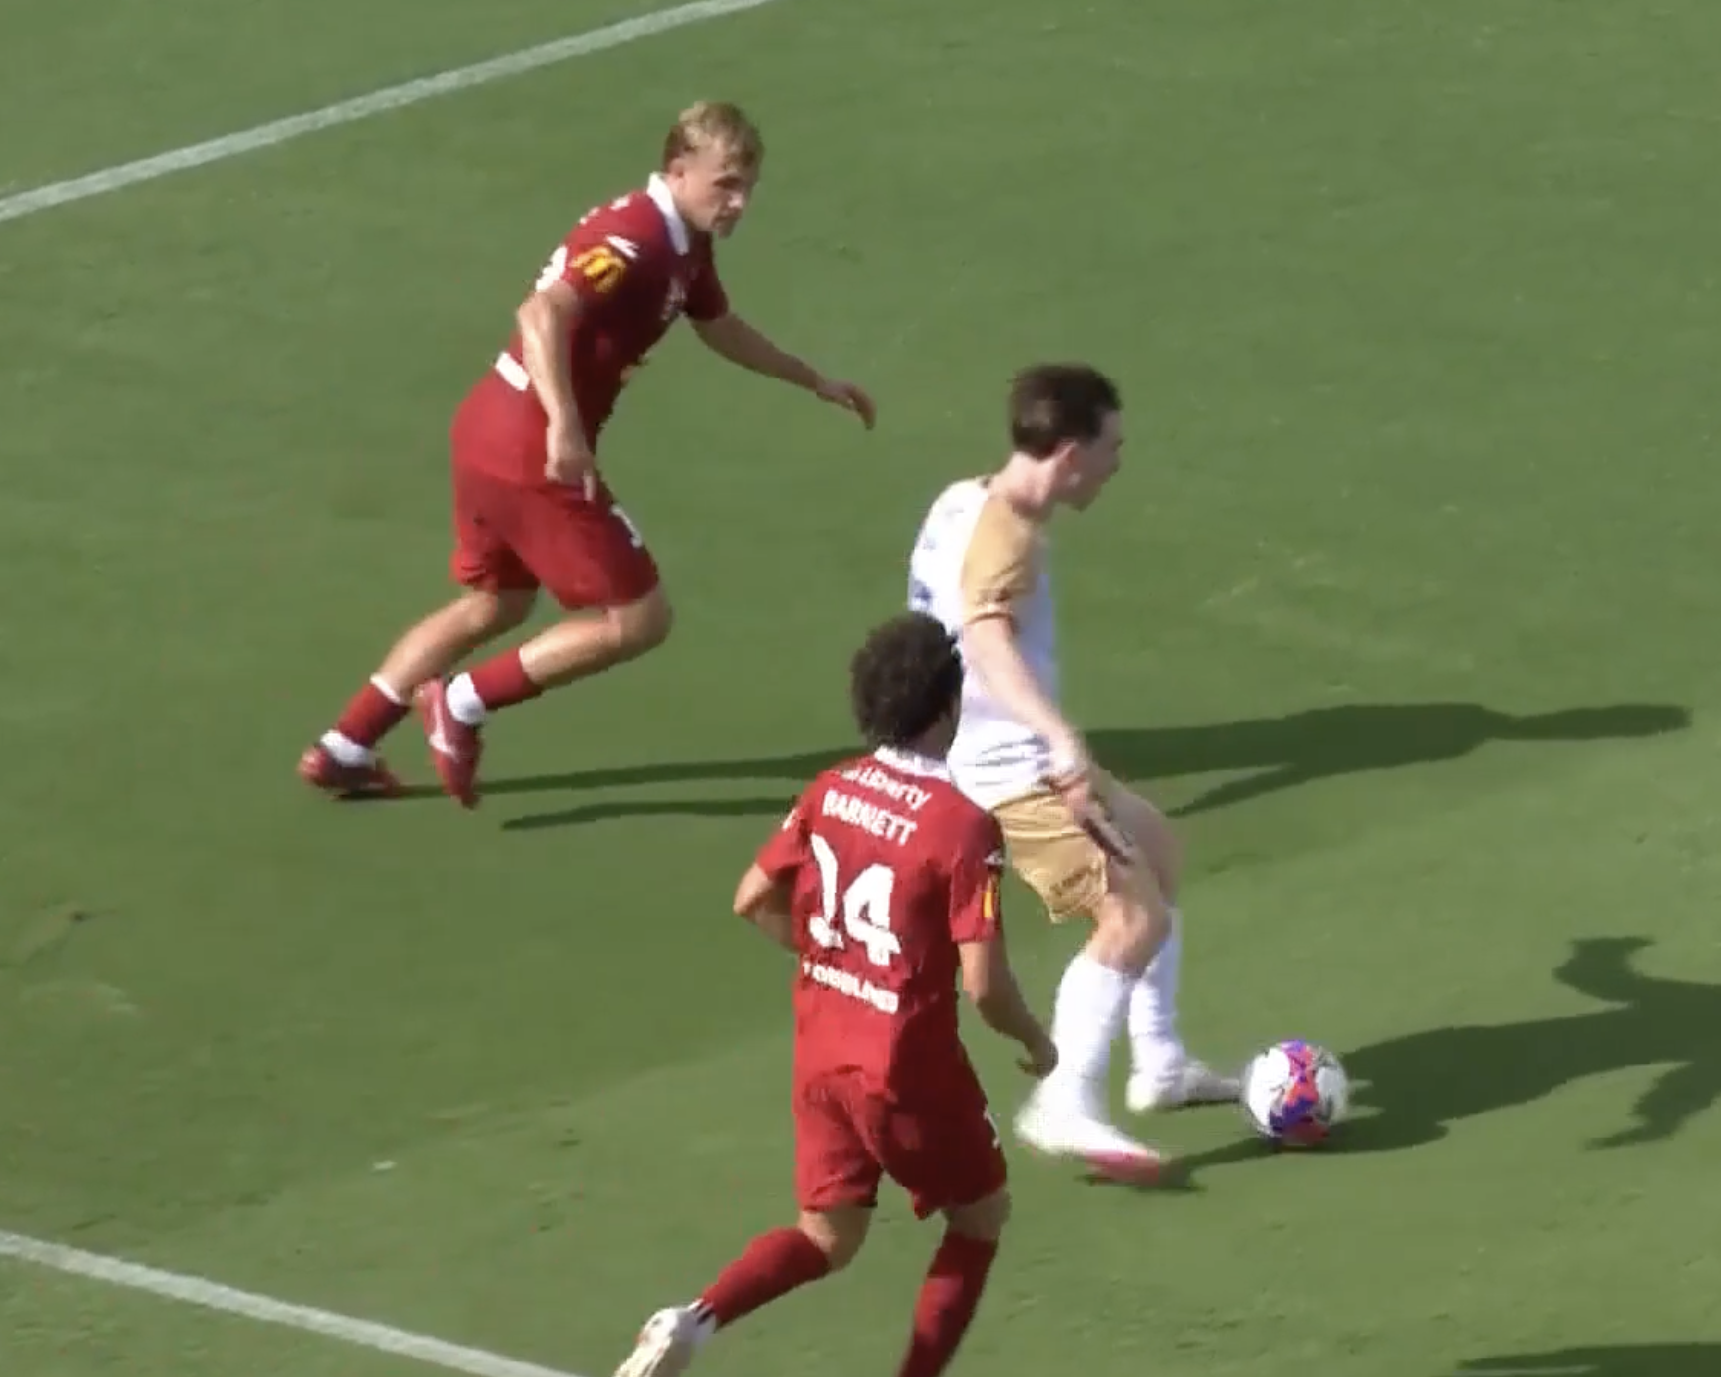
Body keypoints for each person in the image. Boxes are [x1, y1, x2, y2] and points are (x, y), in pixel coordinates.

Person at [298, 100, 876, 808]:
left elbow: (721, 327)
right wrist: (565, 426)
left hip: (488, 427)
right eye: (725, 184)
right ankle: (462, 702)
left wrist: (813, 379)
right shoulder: (636, 235)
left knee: (495, 602)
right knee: (638, 617)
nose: (739, 203)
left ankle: (346, 745)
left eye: (748, 187)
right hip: (527, 443)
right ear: (677, 171)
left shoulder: (685, 245)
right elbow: (542, 311)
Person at [612, 611, 1053, 1377]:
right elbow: (984, 984)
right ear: (947, 708)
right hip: (905, 1066)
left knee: (827, 1234)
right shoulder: (963, 825)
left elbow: (752, 896)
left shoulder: (830, 788)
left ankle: (695, 1318)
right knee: (980, 1217)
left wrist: (832, 957)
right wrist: (1037, 1043)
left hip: (822, 1047)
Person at [903, 362, 1238, 1180]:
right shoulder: (1009, 535)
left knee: (1158, 850)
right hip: (1012, 766)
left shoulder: (964, 499)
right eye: (1111, 445)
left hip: (987, 745)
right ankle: (1066, 1098)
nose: (1119, 462)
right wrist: (1058, 738)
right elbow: (982, 633)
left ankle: (1159, 1062)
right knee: (1131, 918)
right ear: (1069, 452)